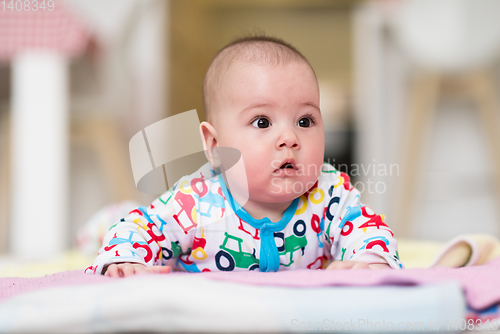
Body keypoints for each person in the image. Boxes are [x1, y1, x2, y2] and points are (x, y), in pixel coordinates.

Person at [86, 35, 404, 277]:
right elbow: (146, 227)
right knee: (127, 221)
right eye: (262, 122)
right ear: (215, 146)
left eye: (305, 121)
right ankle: (103, 224)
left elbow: (367, 227)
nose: (289, 138)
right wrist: (125, 258)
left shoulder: (330, 194)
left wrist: (370, 260)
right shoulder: (194, 203)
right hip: (157, 227)